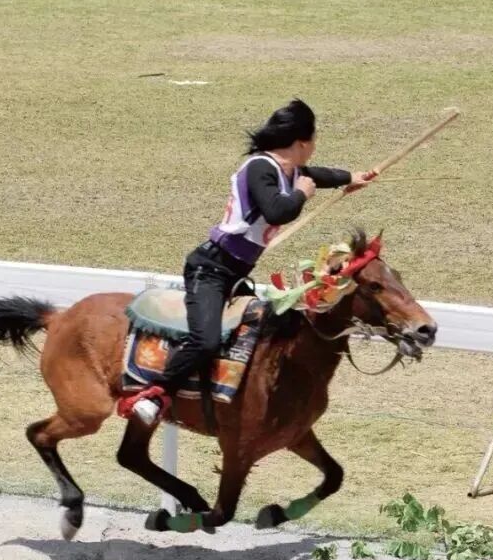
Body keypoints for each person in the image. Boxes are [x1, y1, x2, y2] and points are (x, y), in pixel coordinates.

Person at [121, 99, 377, 426]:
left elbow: (318, 175)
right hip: (210, 270)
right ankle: (155, 396)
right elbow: (278, 210)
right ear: (301, 142)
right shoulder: (260, 168)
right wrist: (302, 193)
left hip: (236, 273)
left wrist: (353, 177)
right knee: (206, 341)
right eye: (314, 140)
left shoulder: (289, 172)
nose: (314, 148)